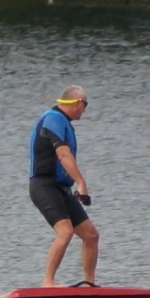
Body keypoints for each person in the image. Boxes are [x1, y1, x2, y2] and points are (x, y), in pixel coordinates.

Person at [28, 85, 99, 287]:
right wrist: (81, 182)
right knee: (65, 232)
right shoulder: (53, 119)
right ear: (77, 103)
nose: (85, 111)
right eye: (85, 106)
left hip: (61, 188)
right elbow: (63, 155)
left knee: (91, 235)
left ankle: (89, 284)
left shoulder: (62, 122)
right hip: (44, 186)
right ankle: (48, 281)